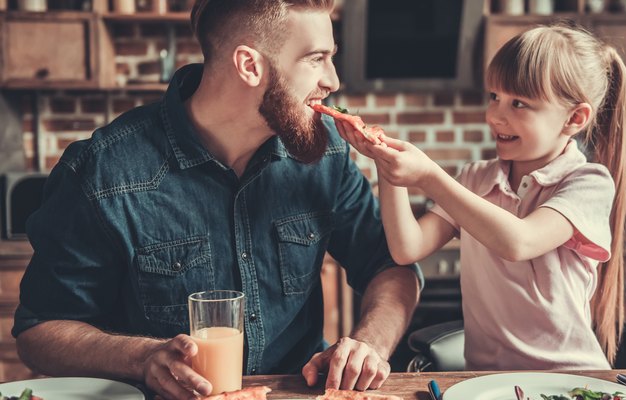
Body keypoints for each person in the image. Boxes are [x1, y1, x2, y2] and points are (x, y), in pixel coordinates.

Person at [12, 1, 422, 399]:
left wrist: (370, 343)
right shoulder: (102, 171)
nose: (333, 80)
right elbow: (40, 331)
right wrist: (141, 358)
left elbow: (390, 266)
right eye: (316, 58)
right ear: (249, 65)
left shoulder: (327, 154)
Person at [337, 24, 626, 370]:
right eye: (494, 96)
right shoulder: (476, 178)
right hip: (486, 380)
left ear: (575, 118)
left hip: (568, 377)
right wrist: (387, 164)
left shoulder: (587, 183)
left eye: (519, 103)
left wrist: (430, 177)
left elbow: (518, 242)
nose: (495, 115)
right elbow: (407, 248)